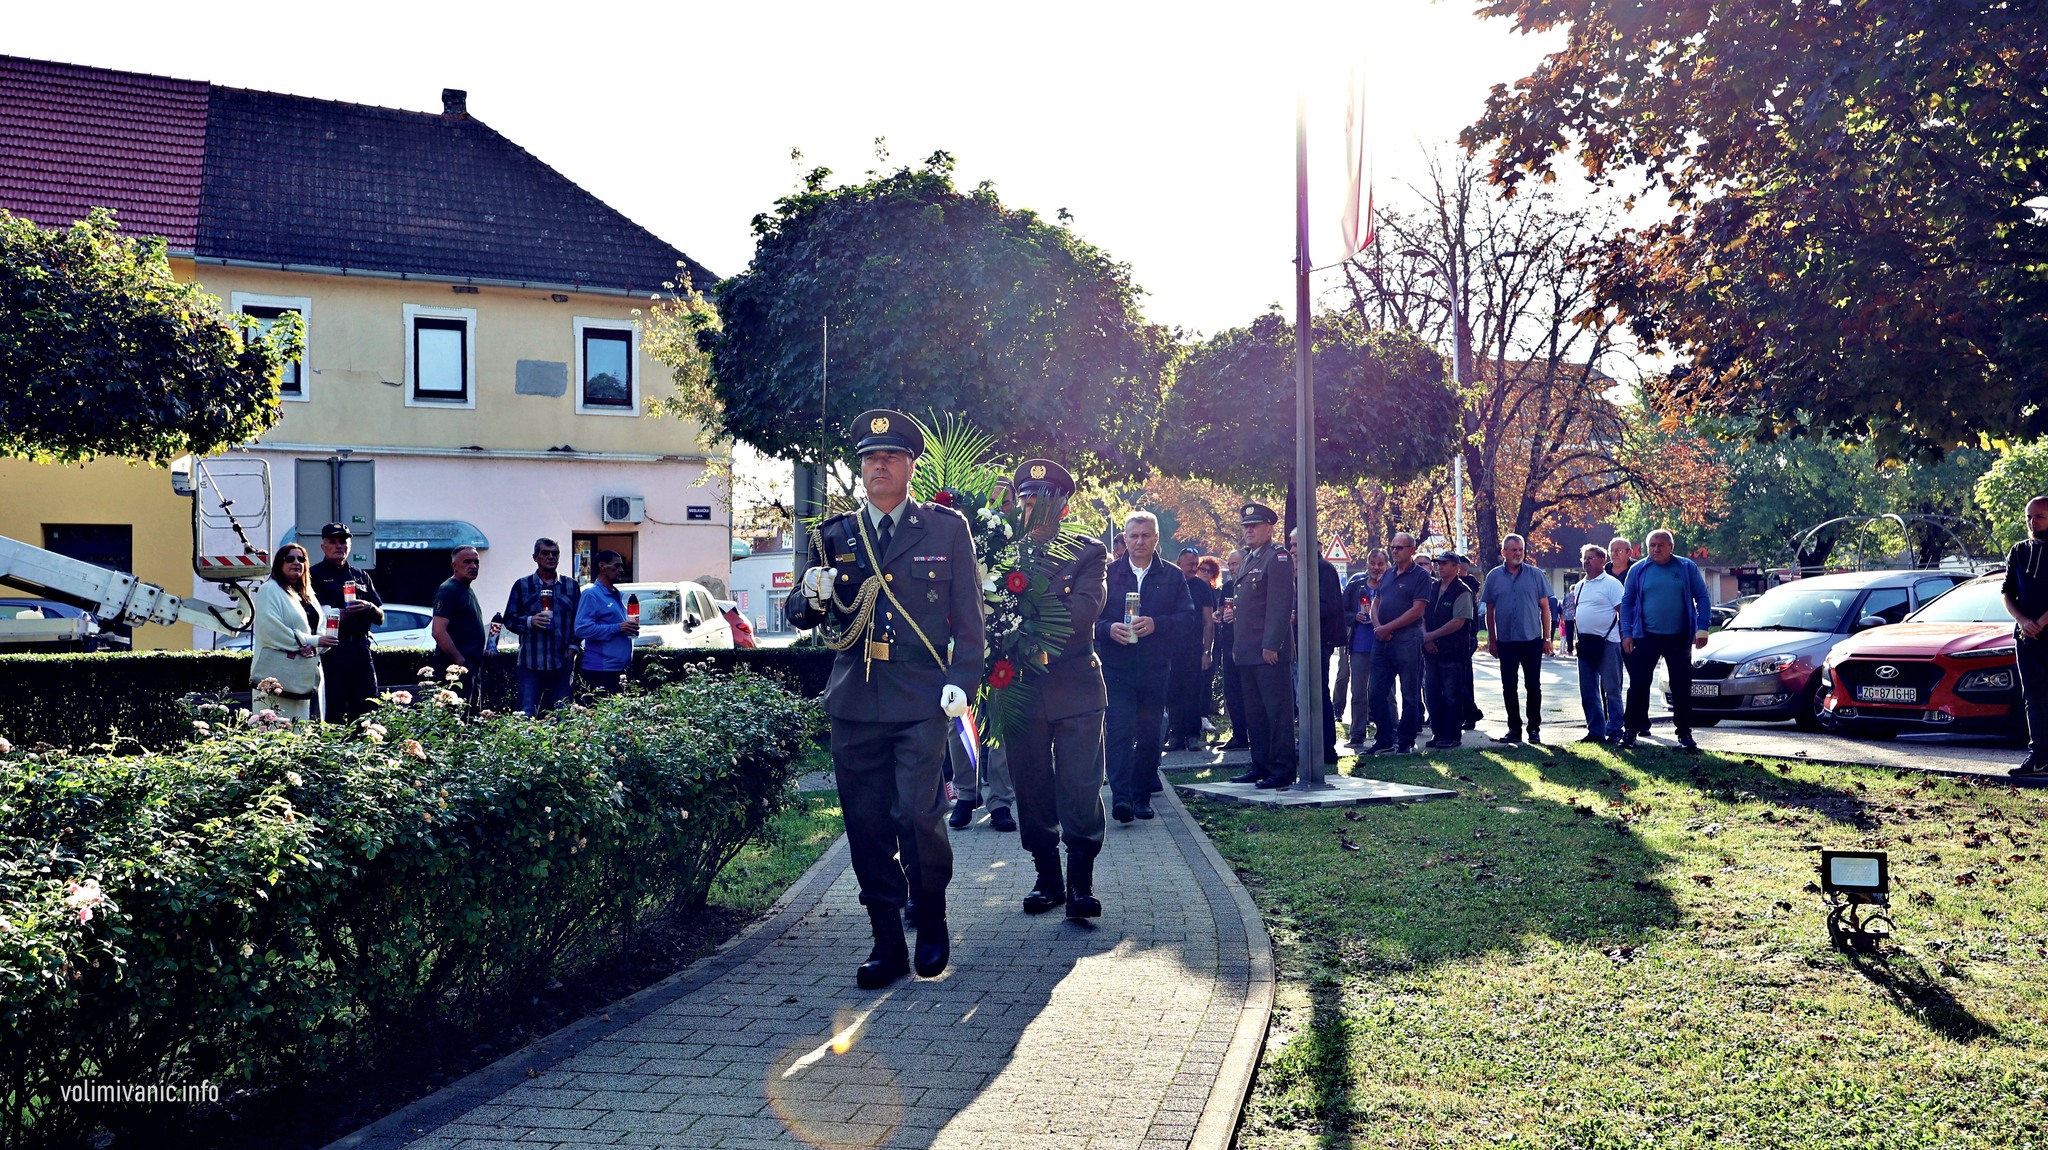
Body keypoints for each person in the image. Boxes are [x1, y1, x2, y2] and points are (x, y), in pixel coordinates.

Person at [786, 410, 983, 988]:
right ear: (861, 468)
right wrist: (811, 596)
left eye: (891, 457)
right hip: (855, 698)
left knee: (918, 813)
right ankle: (886, 941)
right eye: (871, 458)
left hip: (922, 696)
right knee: (866, 822)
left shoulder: (945, 529)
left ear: (910, 466)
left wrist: (963, 679)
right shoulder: (833, 536)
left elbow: (970, 619)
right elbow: (800, 614)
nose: (880, 466)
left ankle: (932, 919)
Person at [999, 459, 1110, 917]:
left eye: (1045, 500)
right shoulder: (999, 550)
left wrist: (1016, 623)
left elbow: (1083, 611)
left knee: (1080, 786)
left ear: (1063, 508)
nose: (1035, 508)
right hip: (1021, 687)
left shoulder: (1088, 552)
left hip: (1075, 684)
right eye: (1027, 500)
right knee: (1030, 785)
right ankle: (1048, 878)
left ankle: (1080, 883)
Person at [1099, 511, 1194, 821]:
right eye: (1134, 536)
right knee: (1119, 732)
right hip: (1117, 668)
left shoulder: (1172, 575)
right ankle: (1121, 799)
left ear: (1156, 538)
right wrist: (1107, 629)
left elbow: (1188, 618)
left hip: (1155, 668)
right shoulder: (1108, 574)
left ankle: (1141, 797)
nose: (1139, 541)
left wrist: (1157, 624)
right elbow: (1088, 618)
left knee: (1150, 734)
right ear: (1125, 539)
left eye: (1145, 536)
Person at [1618, 529, 1713, 751]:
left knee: (1681, 686)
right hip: (1645, 636)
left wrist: (1702, 627)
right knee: (1638, 685)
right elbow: (1627, 602)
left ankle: (1684, 734)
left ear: (1671, 547)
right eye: (1652, 545)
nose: (1656, 549)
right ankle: (1630, 731)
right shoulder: (1638, 570)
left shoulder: (1686, 567)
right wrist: (1626, 633)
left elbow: (1702, 597)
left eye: (1661, 545)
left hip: (1679, 637)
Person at [1224, 504, 1296, 787]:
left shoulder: (1277, 558)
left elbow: (1280, 605)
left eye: (1254, 526)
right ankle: (1261, 764)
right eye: (1246, 526)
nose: (1249, 531)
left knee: (1276, 713)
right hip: (1248, 650)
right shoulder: (1247, 559)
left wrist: (1272, 644)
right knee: (1255, 713)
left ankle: (1282, 769)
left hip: (1268, 651)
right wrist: (1238, 646)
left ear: (1269, 528)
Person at [1481, 534, 1553, 744]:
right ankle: (1514, 729)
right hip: (1506, 641)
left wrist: (1547, 638)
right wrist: (1492, 640)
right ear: (1504, 552)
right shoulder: (1494, 576)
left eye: (1521, 549)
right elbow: (1489, 611)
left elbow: (1545, 608)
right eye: (1514, 550)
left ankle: (1534, 729)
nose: (1518, 553)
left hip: (1531, 639)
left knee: (1533, 686)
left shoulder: (1535, 574)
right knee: (1509, 686)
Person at [1365, 532, 1432, 755]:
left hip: (1407, 639)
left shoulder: (1421, 576)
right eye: (1393, 547)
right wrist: (1378, 627)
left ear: (1412, 550)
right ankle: (1384, 738)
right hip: (1382, 640)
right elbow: (1376, 602)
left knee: (1409, 693)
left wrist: (1389, 628)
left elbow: (1417, 610)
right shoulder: (1388, 573)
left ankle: (1406, 740)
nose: (1394, 551)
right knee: (1376, 692)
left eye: (1400, 547)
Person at [251, 543, 335, 721]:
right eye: (290, 559)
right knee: (278, 725)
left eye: (301, 559)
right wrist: (310, 641)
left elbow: (321, 626)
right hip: (281, 673)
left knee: (309, 726)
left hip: (308, 671)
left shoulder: (308, 594)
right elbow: (270, 630)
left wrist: (315, 648)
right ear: (279, 564)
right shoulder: (270, 589)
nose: (296, 562)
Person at [309, 523, 383, 723]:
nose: (339, 546)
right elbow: (314, 615)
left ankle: (366, 741)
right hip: (333, 648)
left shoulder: (361, 576)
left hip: (360, 647)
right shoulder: (313, 575)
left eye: (343, 541)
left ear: (350, 546)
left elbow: (380, 616)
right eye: (333, 541)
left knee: (368, 706)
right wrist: (341, 614)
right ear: (323, 546)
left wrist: (368, 607)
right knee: (334, 707)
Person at [504, 537, 581, 716]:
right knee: (526, 714)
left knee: (563, 716)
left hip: (561, 661)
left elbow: (578, 622)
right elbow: (509, 618)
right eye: (545, 553)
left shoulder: (571, 586)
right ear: (535, 557)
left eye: (555, 553)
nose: (550, 557)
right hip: (531, 662)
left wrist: (573, 649)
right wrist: (530, 621)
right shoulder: (522, 585)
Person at [1289, 529, 1346, 765]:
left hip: (1318, 642)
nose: (1292, 549)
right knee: (1304, 696)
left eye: (1296, 545)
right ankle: (1310, 743)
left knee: (1317, 695)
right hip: (1301, 642)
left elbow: (1328, 606)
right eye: (1291, 545)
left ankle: (1324, 747)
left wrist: (1296, 614)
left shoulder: (1322, 569)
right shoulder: (1300, 569)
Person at [2002, 496, 2048, 777]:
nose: (2033, 522)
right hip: (2027, 637)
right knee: (2033, 697)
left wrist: (2041, 622)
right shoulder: (2018, 551)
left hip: (2043, 629)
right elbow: (2006, 592)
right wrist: (2023, 621)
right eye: (2029, 517)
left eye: (2039, 516)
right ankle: (2039, 757)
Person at [1163, 546, 1218, 752]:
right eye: (1190, 565)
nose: (1195, 569)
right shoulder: (1169, 584)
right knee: (1172, 692)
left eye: (1196, 564)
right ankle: (1175, 736)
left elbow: (1208, 622)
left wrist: (1207, 651)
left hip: (1194, 649)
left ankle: (1193, 735)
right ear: (1179, 564)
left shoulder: (1202, 587)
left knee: (1193, 693)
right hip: (1170, 649)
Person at [1571, 544, 1627, 744]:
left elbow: (1623, 612)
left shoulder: (1612, 584)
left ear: (1602, 561)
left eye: (1590, 558)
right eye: (1584, 558)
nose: (1586, 561)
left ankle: (1615, 730)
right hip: (1586, 644)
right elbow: (1577, 613)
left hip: (1609, 643)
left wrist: (1626, 637)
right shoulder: (1579, 586)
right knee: (1588, 690)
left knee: (1612, 689)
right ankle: (1595, 731)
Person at [1421, 550, 1475, 749]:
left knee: (1452, 695)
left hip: (1452, 652)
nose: (1440, 567)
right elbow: (1421, 614)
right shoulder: (1432, 588)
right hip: (1431, 652)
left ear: (1456, 567)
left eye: (1445, 563)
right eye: (1439, 563)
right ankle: (1438, 733)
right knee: (1433, 694)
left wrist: (1431, 636)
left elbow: (1458, 622)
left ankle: (1452, 735)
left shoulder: (1462, 591)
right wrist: (1426, 637)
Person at [1339, 549, 1387, 748]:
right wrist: (1353, 617)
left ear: (1386, 565)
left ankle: (1388, 733)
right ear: (1367, 565)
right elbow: (1341, 610)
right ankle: (1357, 734)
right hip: (1359, 646)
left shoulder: (1390, 585)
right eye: (1372, 563)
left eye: (1380, 564)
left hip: (1384, 645)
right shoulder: (1356, 585)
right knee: (1358, 692)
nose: (1376, 568)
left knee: (1386, 693)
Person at [573, 549, 638, 696]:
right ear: (602, 566)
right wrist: (618, 627)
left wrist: (626, 628)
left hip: (617, 669)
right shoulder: (591, 594)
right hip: (600, 670)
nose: (621, 570)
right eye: (616, 566)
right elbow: (581, 629)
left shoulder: (615, 594)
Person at [431, 546, 487, 701]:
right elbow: (438, 631)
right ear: (454, 566)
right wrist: (460, 660)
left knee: (471, 712)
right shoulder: (448, 590)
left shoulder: (466, 589)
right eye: (467, 562)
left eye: (476, 562)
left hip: (470, 666)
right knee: (456, 713)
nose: (473, 566)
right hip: (455, 670)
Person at [1214, 549, 1249, 750]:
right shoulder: (1228, 586)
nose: (1232, 568)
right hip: (1228, 643)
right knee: (1232, 691)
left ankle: (1255, 734)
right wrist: (1218, 615)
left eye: (1235, 564)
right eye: (1230, 564)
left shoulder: (1251, 585)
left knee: (1248, 692)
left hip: (1247, 644)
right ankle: (1239, 735)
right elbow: (1221, 610)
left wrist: (1238, 615)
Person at [1560, 579, 1579, 657]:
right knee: (1578, 634)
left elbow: (1563, 606)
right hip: (1577, 616)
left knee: (1569, 634)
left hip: (1567, 617)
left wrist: (1563, 616)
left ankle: (1570, 650)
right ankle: (1578, 650)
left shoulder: (1567, 596)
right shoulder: (1577, 595)